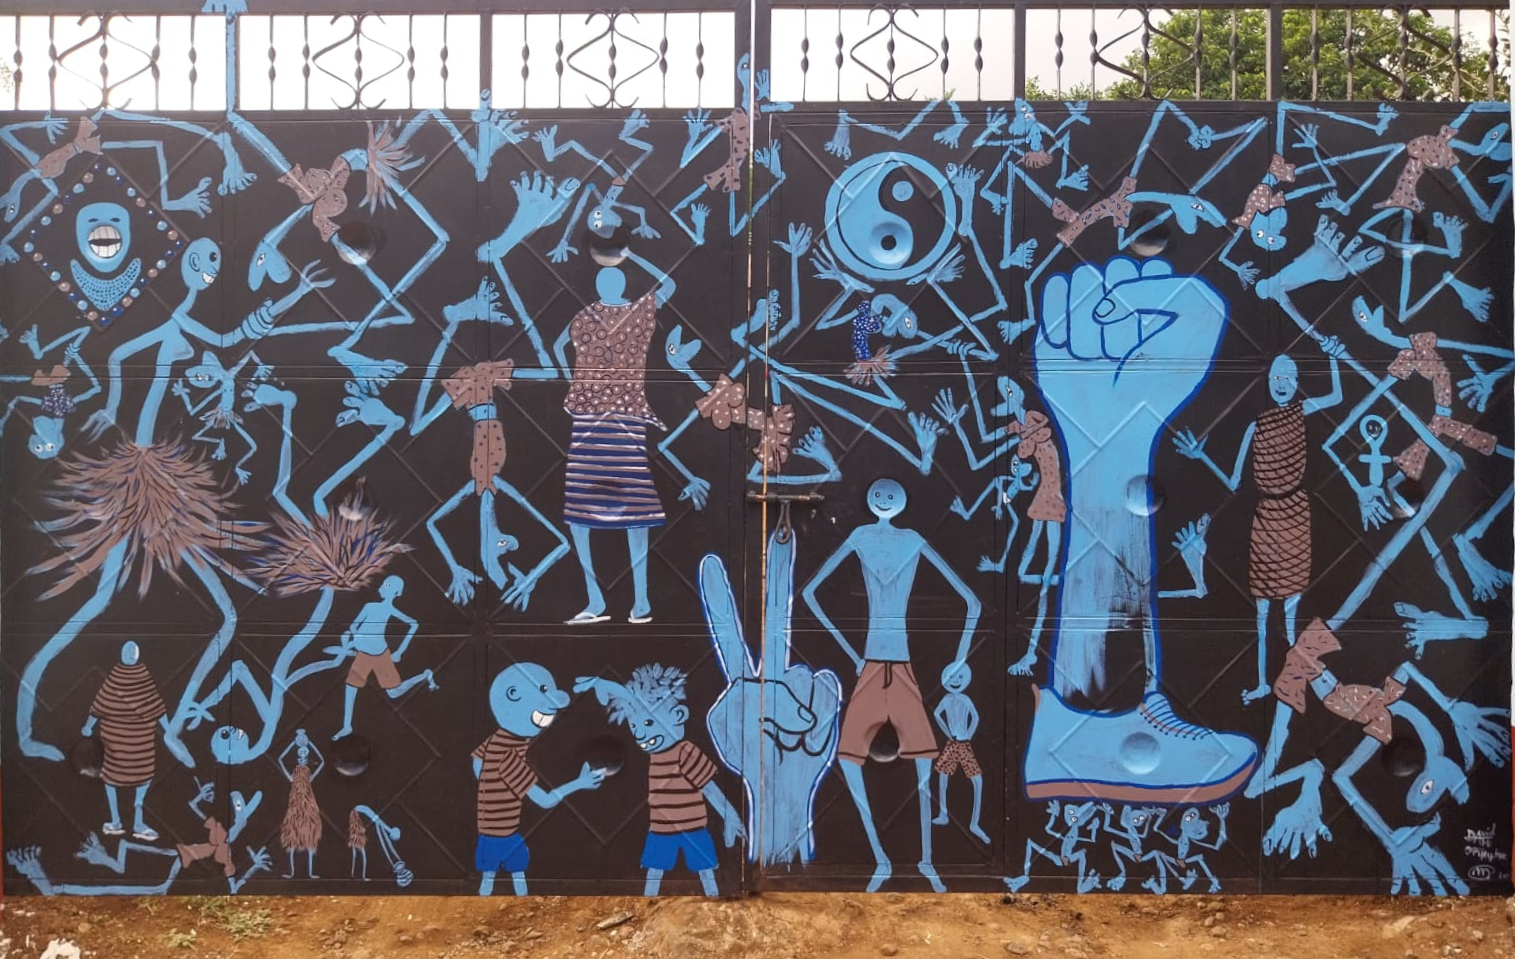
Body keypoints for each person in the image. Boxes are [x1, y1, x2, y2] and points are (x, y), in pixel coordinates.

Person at [802, 478, 980, 892]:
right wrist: (959, 656)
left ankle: (919, 861)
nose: (883, 500)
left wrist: (959, 659)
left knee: (917, 765)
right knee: (861, 760)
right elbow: (971, 602)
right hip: (882, 663)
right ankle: (892, 860)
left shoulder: (878, 538)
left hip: (888, 664)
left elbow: (971, 601)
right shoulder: (887, 538)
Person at [81, 641, 168, 841]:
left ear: (137, 655)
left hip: (140, 744)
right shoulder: (113, 680)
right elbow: (100, 705)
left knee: (141, 779)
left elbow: (156, 707)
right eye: (126, 650)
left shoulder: (144, 680)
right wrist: (87, 726)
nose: (129, 653)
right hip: (114, 743)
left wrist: (169, 730)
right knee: (111, 780)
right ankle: (116, 821)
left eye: (132, 651)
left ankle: (137, 822)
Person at [333, 575, 436, 740]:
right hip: (363, 653)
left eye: (388, 585)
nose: (382, 586)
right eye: (383, 583)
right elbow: (353, 625)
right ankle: (347, 727)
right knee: (350, 687)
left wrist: (400, 651)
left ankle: (425, 675)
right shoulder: (369, 606)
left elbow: (414, 624)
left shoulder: (389, 610)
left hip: (380, 654)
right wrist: (355, 637)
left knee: (393, 693)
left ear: (396, 593)